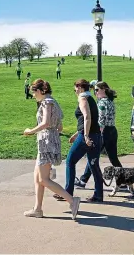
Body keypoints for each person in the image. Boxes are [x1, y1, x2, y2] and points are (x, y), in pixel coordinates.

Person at [23, 79, 80, 219]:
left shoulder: (46, 102)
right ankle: (37, 209)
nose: (33, 95)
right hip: (49, 140)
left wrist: (31, 131)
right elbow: (59, 126)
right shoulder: (52, 101)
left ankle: (72, 201)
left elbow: (46, 122)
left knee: (43, 179)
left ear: (40, 90)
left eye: (34, 92)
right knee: (37, 177)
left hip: (46, 141)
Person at [53, 79, 104, 202]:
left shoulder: (83, 98)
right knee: (94, 165)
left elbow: (87, 117)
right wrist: (77, 134)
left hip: (87, 137)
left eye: (75, 88)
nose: (74, 90)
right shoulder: (91, 98)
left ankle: (67, 193)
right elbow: (87, 120)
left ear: (80, 87)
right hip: (96, 136)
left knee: (70, 161)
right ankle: (98, 195)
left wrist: (85, 136)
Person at [75, 81, 123, 191]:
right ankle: (122, 180)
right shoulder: (110, 101)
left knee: (93, 156)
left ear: (104, 89)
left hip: (103, 132)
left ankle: (83, 180)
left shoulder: (101, 103)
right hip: (112, 131)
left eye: (97, 90)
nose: (95, 92)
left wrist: (98, 133)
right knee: (113, 158)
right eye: (94, 90)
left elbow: (101, 120)